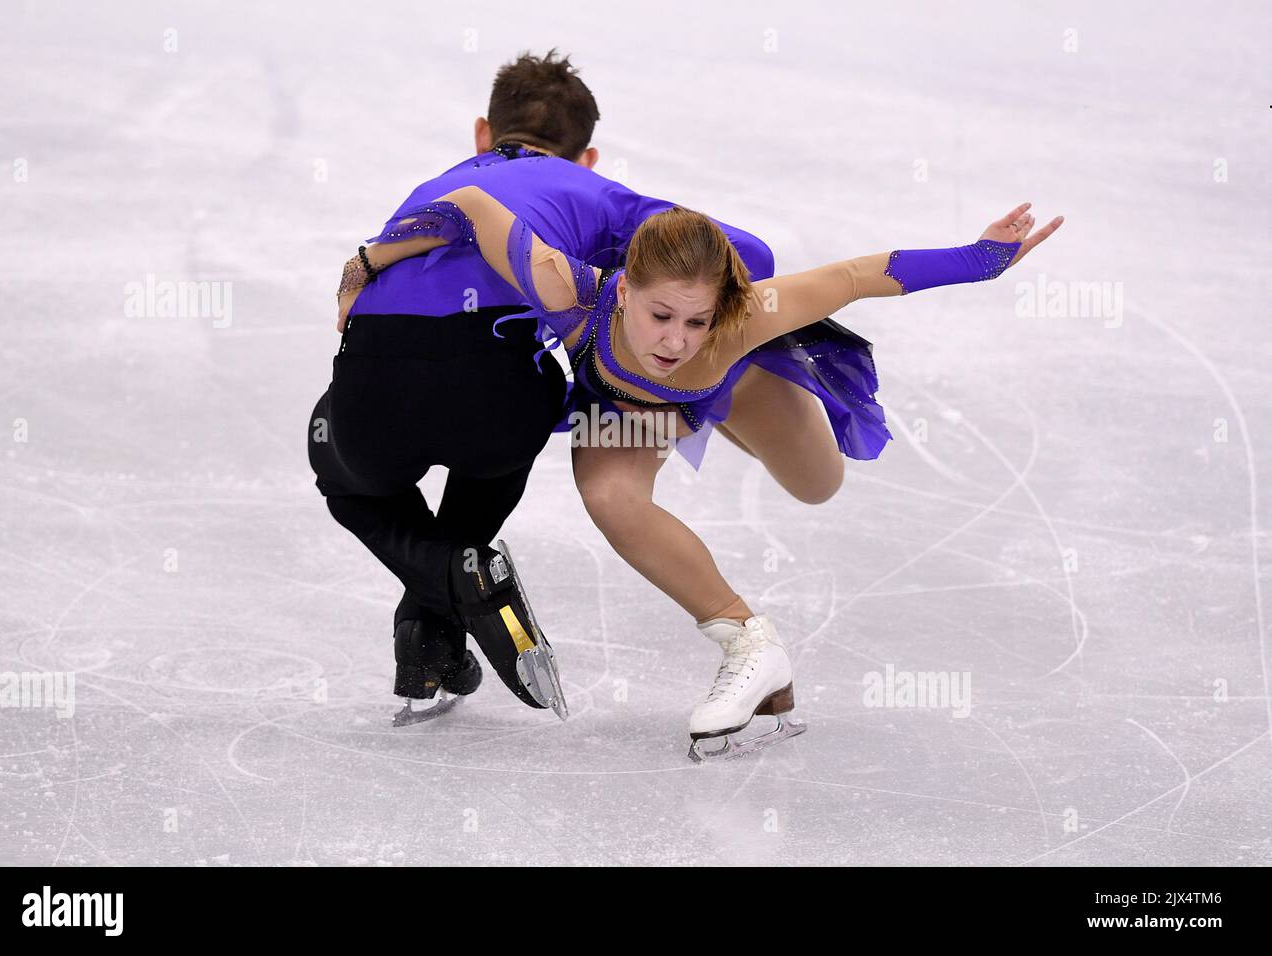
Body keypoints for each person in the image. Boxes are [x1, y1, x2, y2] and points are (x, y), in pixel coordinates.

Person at [347, 185, 1062, 758]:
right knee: (607, 493)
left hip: (736, 385)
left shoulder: (747, 317)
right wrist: (368, 262)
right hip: (626, 413)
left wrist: (980, 259)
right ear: (623, 291)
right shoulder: (567, 289)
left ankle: (723, 416)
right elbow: (472, 206)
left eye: (697, 322)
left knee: (818, 485)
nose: (676, 340)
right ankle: (749, 644)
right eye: (661, 315)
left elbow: (856, 276)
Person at [309, 50, 775, 723]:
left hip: (375, 382)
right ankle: (453, 578)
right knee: (512, 411)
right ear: (585, 157)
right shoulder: (598, 194)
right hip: (494, 397)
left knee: (336, 457)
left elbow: (434, 235)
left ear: (482, 134)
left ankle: (433, 617)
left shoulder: (436, 183)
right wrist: (621, 290)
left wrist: (364, 262)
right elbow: (748, 255)